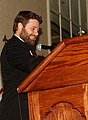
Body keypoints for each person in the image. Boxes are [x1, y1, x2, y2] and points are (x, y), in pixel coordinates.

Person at [0, 10, 45, 120]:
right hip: (15, 110)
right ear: (20, 26)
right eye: (33, 29)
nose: (36, 33)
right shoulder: (13, 47)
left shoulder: (24, 48)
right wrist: (53, 60)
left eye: (37, 30)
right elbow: (32, 65)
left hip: (26, 107)